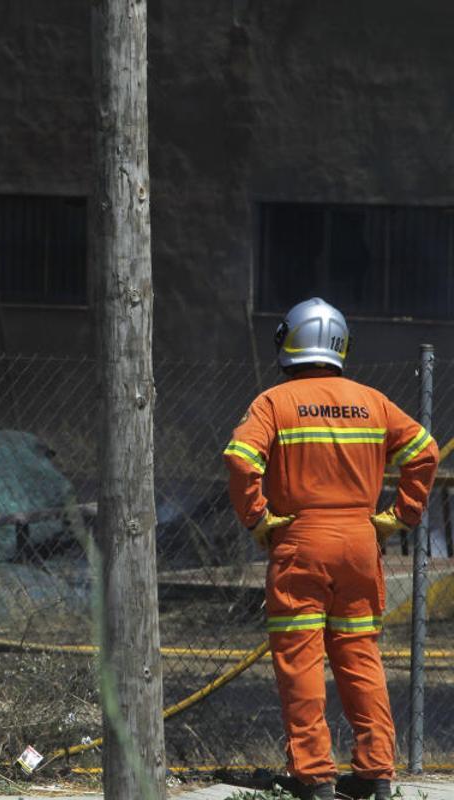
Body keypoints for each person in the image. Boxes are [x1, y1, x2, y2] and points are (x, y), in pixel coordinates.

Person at [222, 297, 439, 800]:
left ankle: (315, 777)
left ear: (289, 341)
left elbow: (239, 459)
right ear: (341, 344)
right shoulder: (372, 401)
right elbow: (424, 452)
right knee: (360, 655)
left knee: (301, 660)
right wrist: (399, 517)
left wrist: (257, 518)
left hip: (300, 541)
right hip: (361, 544)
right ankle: (376, 775)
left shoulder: (273, 402)